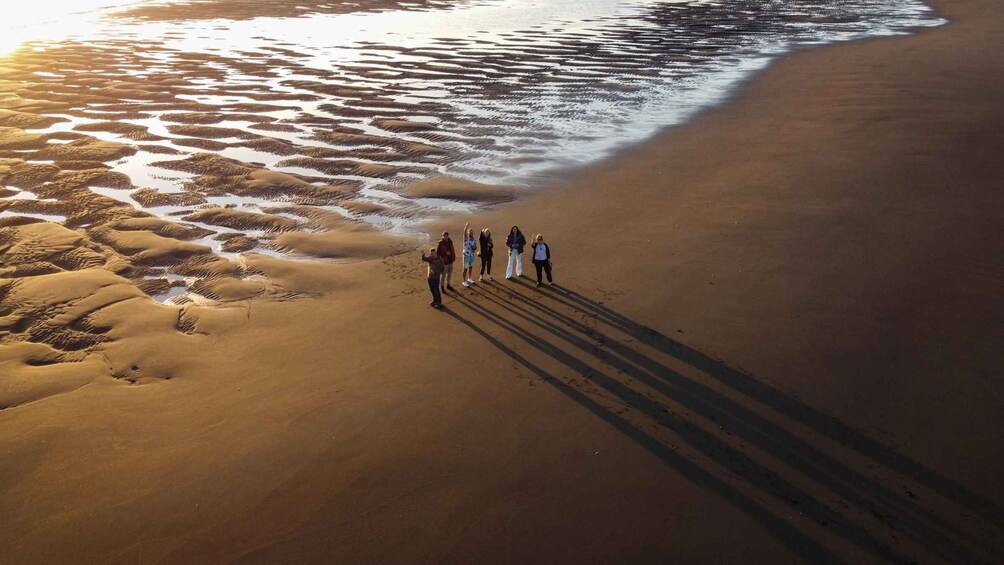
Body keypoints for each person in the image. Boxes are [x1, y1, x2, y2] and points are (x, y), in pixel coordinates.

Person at [461, 222, 477, 287]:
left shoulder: (474, 240)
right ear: (468, 233)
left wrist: (475, 248)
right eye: (470, 232)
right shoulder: (466, 238)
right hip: (466, 255)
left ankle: (469, 278)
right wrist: (466, 226)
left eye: (472, 232)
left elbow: (475, 247)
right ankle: (464, 281)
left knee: (471, 267)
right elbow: (464, 232)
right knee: (465, 269)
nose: (471, 233)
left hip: (472, 255)